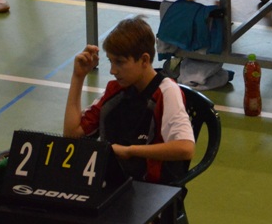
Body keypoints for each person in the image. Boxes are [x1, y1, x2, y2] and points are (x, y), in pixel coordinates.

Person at [64, 17, 195, 184]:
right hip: (112, 182)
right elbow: (72, 135)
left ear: (144, 60)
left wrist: (130, 151)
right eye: (111, 61)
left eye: (120, 62)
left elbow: (185, 148)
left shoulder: (167, 91)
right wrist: (78, 77)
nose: (112, 70)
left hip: (151, 188)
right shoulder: (115, 90)